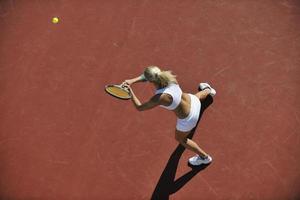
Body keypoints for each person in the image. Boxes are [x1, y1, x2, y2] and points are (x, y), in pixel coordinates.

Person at [122, 66, 216, 166]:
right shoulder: (170, 78)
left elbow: (140, 107)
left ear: (150, 81)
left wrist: (130, 91)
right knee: (197, 96)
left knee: (181, 139)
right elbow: (148, 76)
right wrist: (131, 81)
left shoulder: (160, 98)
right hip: (194, 102)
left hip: (189, 119)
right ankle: (208, 90)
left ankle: (204, 158)